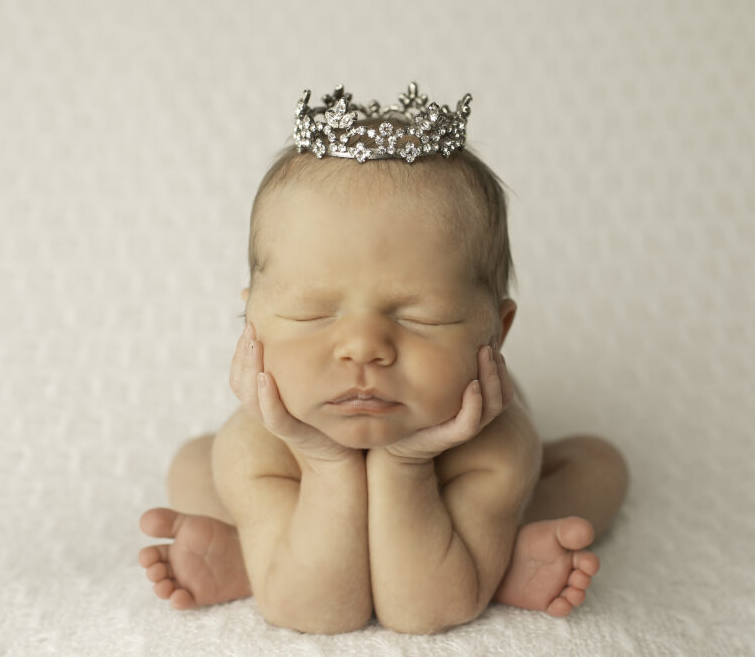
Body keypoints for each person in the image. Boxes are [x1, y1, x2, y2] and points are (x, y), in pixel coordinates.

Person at [137, 84, 629, 634]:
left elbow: (427, 611)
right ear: (251, 327)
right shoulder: (258, 446)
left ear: (498, 332)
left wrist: (407, 462)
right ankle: (255, 550)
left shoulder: (495, 448)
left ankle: (496, 551)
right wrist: (322, 462)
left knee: (596, 463)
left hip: (459, 492)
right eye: (311, 314)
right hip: (291, 465)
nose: (363, 347)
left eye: (421, 318)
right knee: (195, 461)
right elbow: (316, 613)